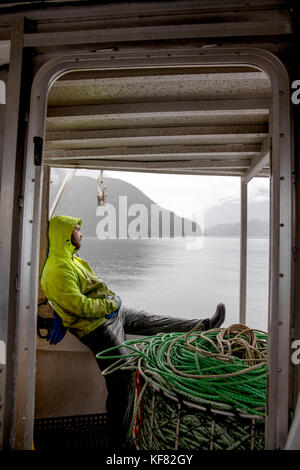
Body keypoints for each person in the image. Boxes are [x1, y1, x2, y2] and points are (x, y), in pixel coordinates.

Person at [41, 215, 226, 448]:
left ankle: (203, 326)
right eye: (77, 230)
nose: (81, 233)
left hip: (109, 313)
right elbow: (78, 306)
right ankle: (120, 443)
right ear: (64, 234)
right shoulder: (58, 268)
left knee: (147, 319)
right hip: (97, 326)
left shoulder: (72, 260)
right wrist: (111, 305)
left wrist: (113, 303)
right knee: (123, 377)